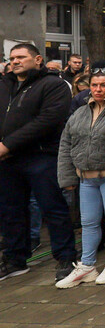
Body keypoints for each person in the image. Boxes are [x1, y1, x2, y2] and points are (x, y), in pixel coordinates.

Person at [0, 43, 77, 283]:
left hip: (42, 156)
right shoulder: (4, 85)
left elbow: (47, 121)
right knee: (11, 211)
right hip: (8, 160)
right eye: (12, 58)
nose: (15, 61)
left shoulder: (54, 85)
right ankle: (15, 260)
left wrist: (7, 144)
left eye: (21, 57)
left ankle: (66, 258)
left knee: (53, 209)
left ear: (38, 59)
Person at [55, 61, 105, 288]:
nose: (97, 89)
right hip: (86, 177)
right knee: (88, 222)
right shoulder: (79, 111)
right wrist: (67, 178)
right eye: (94, 85)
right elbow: (66, 144)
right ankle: (87, 265)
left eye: (104, 85)